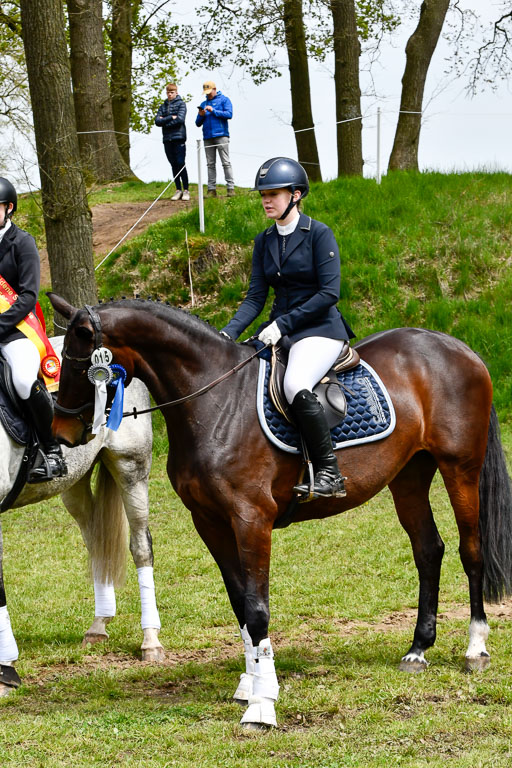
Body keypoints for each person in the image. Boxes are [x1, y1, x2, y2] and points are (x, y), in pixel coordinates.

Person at [221, 157, 354, 498]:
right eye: (263, 194)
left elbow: (329, 293)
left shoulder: (319, 234)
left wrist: (283, 323)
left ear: (296, 195)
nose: (266, 200)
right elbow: (254, 297)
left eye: (274, 194)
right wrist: (226, 334)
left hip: (320, 329)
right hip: (279, 329)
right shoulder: (264, 240)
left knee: (295, 383)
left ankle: (329, 472)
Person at [0, 177, 67, 482]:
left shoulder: (22, 243)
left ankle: (52, 452)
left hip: (16, 331)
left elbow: (27, 296)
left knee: (24, 380)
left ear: (8, 208)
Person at [195, 80, 235, 198]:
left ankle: (230, 188)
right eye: (206, 92)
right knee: (210, 164)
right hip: (207, 137)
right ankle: (211, 190)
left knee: (226, 162)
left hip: (222, 135)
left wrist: (214, 111)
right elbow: (197, 123)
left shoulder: (224, 100)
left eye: (209, 91)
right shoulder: (203, 103)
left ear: (214, 89)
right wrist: (201, 115)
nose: (208, 94)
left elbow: (229, 114)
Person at [154, 83, 190, 201]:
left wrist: (165, 121)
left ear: (176, 93)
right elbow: (157, 121)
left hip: (179, 137)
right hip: (167, 139)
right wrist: (170, 117)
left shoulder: (181, 104)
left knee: (180, 163)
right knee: (173, 164)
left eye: (172, 92)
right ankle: (178, 189)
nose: (170, 94)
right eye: (168, 92)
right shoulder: (163, 106)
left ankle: (186, 190)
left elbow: (180, 119)